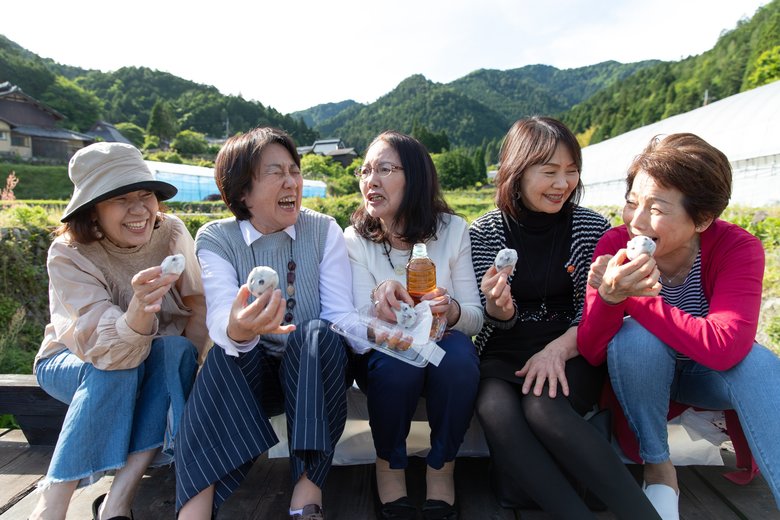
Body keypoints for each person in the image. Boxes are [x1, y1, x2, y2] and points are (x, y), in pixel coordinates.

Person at [579, 133, 780, 520]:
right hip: (645, 379)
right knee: (636, 337)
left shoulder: (737, 249)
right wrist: (608, 298)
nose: (635, 222)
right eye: (632, 202)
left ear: (702, 219)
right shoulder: (614, 243)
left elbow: (725, 347)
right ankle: (658, 467)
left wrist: (634, 298)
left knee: (760, 362)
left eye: (656, 208)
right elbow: (592, 349)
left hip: (706, 376)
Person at [469, 117, 660, 519]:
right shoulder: (485, 231)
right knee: (494, 408)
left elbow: (596, 308)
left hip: (572, 345)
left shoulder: (591, 227)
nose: (563, 183)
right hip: (506, 349)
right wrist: (497, 309)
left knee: (543, 406)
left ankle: (642, 514)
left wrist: (557, 349)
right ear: (517, 172)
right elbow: (485, 317)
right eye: (550, 171)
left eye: (571, 171)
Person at [174, 127, 354, 520]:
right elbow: (222, 315)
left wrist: (383, 335)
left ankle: (306, 496)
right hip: (253, 373)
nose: (292, 181)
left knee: (319, 333)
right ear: (242, 192)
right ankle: (194, 509)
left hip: (310, 373)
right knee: (224, 354)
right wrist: (241, 327)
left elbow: (340, 316)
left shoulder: (323, 229)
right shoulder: (216, 238)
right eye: (276, 172)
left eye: (295, 170)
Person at [30, 142, 208, 520]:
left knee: (175, 353)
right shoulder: (69, 253)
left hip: (153, 356)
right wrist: (139, 311)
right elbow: (103, 346)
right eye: (120, 198)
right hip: (70, 357)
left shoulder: (171, 232)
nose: (140, 209)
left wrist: (187, 371)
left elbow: (198, 306)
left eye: (146, 194)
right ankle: (52, 503)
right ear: (92, 209)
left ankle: (118, 502)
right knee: (119, 365)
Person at [344, 131, 482, 520]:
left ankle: (442, 468)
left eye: (385, 169)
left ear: (416, 177)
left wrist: (449, 309)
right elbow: (353, 325)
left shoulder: (453, 229)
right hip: (384, 356)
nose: (371, 180)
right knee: (396, 363)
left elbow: (474, 317)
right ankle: (389, 466)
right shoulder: (355, 239)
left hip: (442, 344)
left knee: (458, 357)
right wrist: (378, 303)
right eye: (366, 170)